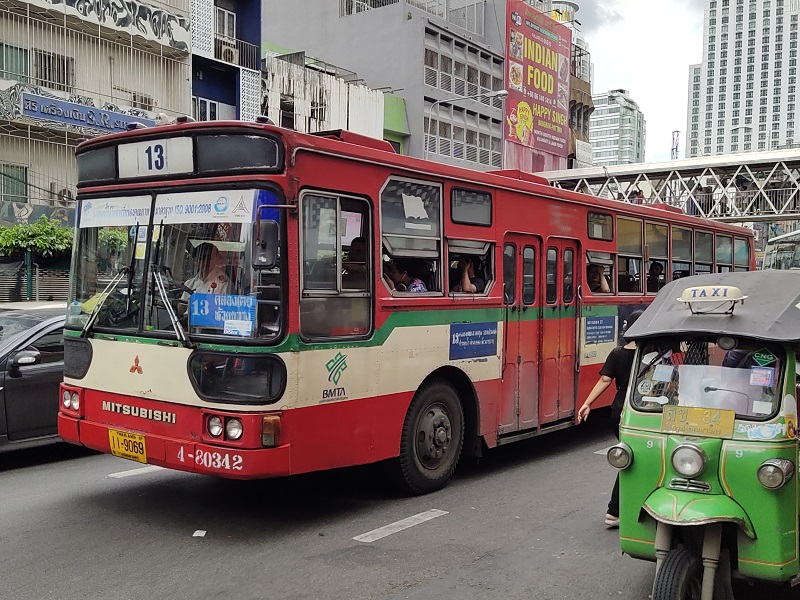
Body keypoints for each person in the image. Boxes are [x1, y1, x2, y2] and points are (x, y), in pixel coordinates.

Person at [577, 309, 644, 529]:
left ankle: (623, 509)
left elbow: (605, 380)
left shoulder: (617, 353)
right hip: (639, 414)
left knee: (631, 457)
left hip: (617, 412)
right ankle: (615, 511)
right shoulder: (650, 355)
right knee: (634, 462)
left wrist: (587, 403)